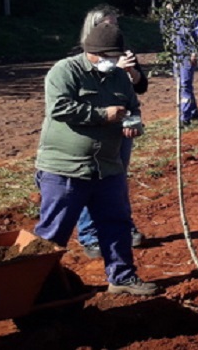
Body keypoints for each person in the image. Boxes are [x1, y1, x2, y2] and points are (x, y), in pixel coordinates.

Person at [34, 22, 158, 296]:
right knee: (53, 232)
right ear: (94, 52)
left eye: (116, 56)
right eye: (109, 56)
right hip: (65, 169)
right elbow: (59, 107)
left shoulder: (118, 78)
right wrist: (103, 115)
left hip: (107, 167)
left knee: (117, 223)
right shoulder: (65, 71)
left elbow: (133, 108)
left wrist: (134, 123)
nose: (113, 62)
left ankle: (123, 277)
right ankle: (33, 287)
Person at [74, 5, 147, 257]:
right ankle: (89, 234)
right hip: (92, 132)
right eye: (107, 25)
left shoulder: (123, 52)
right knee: (89, 180)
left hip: (120, 130)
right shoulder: (79, 60)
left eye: (115, 24)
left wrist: (129, 70)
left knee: (116, 180)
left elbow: (141, 87)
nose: (113, 29)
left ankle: (123, 227)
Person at [165, 0, 198, 125]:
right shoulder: (172, 16)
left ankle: (185, 118)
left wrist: (195, 52)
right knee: (180, 84)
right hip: (176, 56)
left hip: (187, 56)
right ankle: (193, 113)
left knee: (184, 84)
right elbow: (166, 33)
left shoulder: (192, 15)